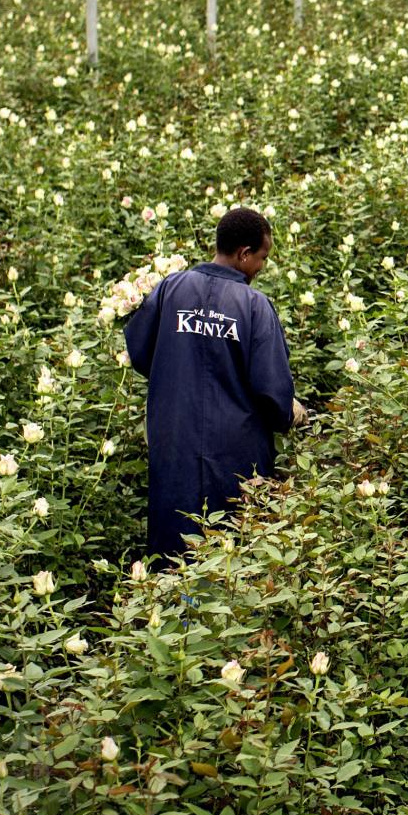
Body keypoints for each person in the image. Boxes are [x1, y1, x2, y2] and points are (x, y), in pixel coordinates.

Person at [124, 206, 307, 561]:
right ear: (244, 254)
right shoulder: (254, 305)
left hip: (174, 440)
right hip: (236, 452)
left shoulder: (170, 288)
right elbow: (272, 389)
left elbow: (141, 351)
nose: (261, 267)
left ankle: (172, 609)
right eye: (262, 258)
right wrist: (290, 414)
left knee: (173, 540)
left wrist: (179, 372)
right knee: (231, 547)